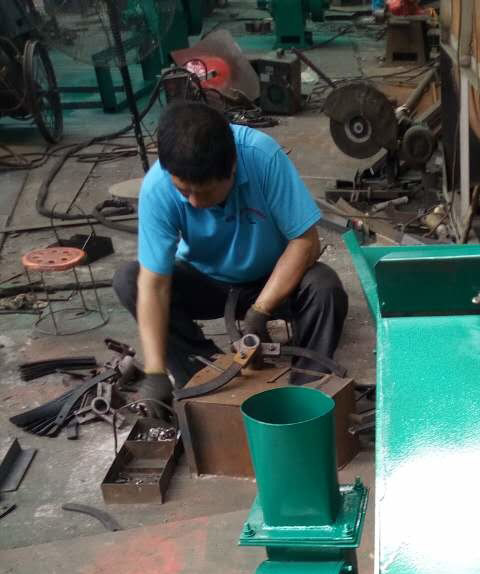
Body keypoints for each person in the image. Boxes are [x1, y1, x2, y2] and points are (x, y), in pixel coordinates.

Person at [113, 100, 348, 405]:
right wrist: (155, 370)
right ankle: (204, 377)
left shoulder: (262, 156)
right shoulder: (158, 187)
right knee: (129, 279)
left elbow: (305, 242)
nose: (194, 202)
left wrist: (261, 310)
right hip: (207, 280)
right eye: (184, 192)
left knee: (325, 288)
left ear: (232, 167)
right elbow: (154, 283)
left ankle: (306, 392)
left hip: (274, 276)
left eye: (204, 192)